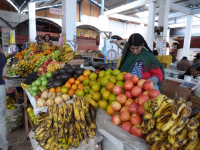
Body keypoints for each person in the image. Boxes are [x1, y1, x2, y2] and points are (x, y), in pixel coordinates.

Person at [0, 44, 8, 150]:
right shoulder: (2, 57)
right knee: (1, 117)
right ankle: (4, 145)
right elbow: (4, 73)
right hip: (0, 87)